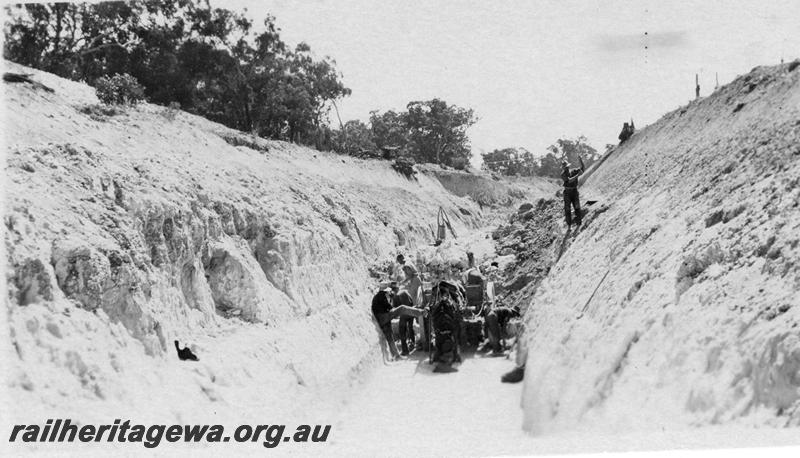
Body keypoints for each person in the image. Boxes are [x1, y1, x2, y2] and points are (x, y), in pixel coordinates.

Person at [371, 285, 426, 359]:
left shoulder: (377, 297)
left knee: (390, 337)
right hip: (383, 317)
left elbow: (387, 307)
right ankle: (421, 312)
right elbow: (389, 307)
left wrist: (393, 310)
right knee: (402, 308)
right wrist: (395, 311)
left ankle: (396, 355)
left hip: (381, 319)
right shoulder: (381, 295)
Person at [561, 157, 585, 227]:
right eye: (564, 167)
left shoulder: (574, 171)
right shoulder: (563, 174)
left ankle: (579, 223)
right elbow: (569, 180)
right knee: (567, 209)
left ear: (568, 166)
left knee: (577, 207)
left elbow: (582, 169)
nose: (566, 168)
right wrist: (578, 175)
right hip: (567, 193)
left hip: (574, 191)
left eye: (566, 167)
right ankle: (569, 225)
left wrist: (581, 161)